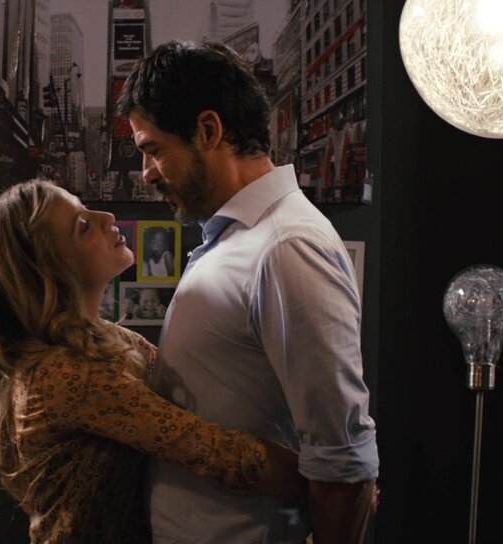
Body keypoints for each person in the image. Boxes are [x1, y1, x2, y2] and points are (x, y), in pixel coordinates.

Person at [117, 40, 380, 543]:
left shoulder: (286, 246)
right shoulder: (237, 239)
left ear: (208, 130)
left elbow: (342, 458)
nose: (147, 171)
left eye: (153, 149)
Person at [0, 179, 307, 543]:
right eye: (83, 226)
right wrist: (327, 477)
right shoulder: (66, 373)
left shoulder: (107, 338)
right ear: (49, 273)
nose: (107, 217)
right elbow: (214, 452)